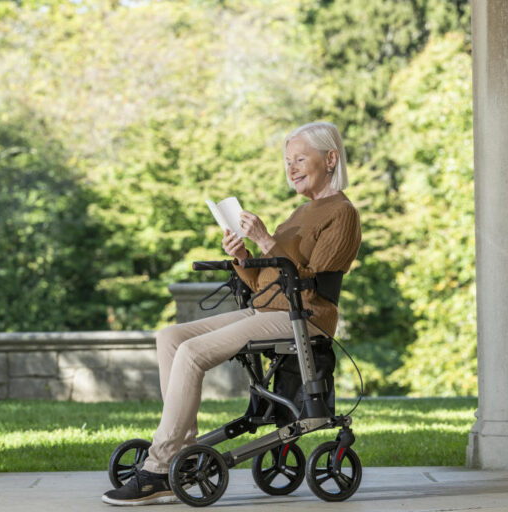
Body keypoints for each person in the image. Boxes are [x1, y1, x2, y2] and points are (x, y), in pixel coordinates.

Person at [102, 121, 362, 506]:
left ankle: (159, 469)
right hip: (269, 309)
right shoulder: (298, 213)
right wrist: (242, 256)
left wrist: (265, 241)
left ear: (330, 159)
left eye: (299, 159)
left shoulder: (342, 214)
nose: (291, 168)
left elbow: (310, 281)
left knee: (192, 353)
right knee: (170, 338)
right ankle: (178, 446)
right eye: (287, 161)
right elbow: (263, 283)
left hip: (305, 318)